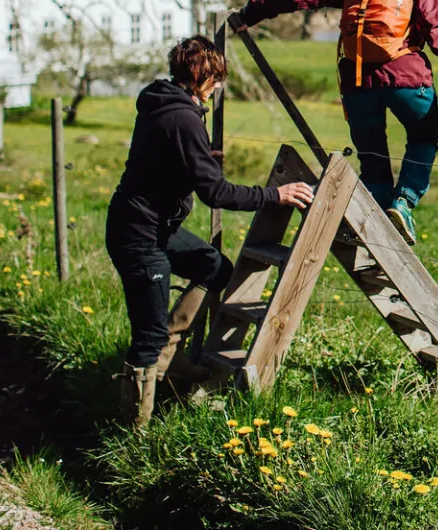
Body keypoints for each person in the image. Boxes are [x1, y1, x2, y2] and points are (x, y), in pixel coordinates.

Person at [107, 37, 314, 427]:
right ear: (202, 78)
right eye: (215, 80)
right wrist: (276, 195)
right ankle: (134, 432)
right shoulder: (184, 118)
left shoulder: (160, 100)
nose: (218, 88)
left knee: (215, 268)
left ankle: (176, 364)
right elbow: (214, 194)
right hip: (140, 236)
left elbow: (167, 154)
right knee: (147, 338)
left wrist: (198, 158)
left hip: (151, 226)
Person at [234, 0, 438, 244]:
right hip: (407, 78)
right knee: (424, 135)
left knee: (372, 153)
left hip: (358, 82)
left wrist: (250, 13)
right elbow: (436, 26)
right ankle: (403, 203)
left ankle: (374, 222)